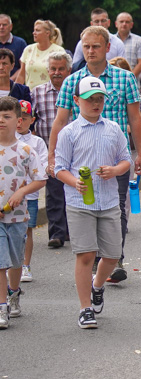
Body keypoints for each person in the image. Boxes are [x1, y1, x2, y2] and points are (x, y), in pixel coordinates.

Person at [48, 26, 141, 283]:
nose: (91, 51)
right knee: (86, 208)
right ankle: (92, 259)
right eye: (87, 47)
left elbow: (135, 118)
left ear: (107, 48)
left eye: (96, 46)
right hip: (81, 159)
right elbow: (60, 121)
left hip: (116, 156)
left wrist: (140, 154)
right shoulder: (72, 80)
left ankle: (114, 258)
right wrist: (51, 158)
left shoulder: (125, 78)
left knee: (118, 207)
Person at [54, 79, 129, 329]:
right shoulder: (69, 132)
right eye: (89, 99)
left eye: (100, 98)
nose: (96, 103)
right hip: (79, 203)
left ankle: (98, 286)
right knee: (86, 254)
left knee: (112, 254)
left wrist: (114, 170)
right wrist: (74, 182)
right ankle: (85, 308)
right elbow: (60, 168)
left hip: (108, 201)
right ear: (76, 101)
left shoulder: (114, 129)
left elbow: (125, 160)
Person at [0, 97, 45, 330]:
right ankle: (1, 307)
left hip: (17, 217)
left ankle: (14, 292)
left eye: (6, 116)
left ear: (18, 121)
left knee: (16, 262)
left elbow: (40, 179)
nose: (1, 120)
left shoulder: (26, 150)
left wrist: (21, 193)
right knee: (0, 263)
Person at [32, 52, 72, 248]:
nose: (57, 73)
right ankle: (57, 233)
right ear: (48, 70)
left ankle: (72, 230)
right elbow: (31, 121)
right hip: (50, 150)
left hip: (75, 151)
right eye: (53, 69)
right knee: (54, 193)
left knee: (74, 191)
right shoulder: (37, 92)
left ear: (68, 70)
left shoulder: (76, 91)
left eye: (61, 69)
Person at [16, 101, 46, 283]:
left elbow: (41, 166)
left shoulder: (37, 142)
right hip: (8, 194)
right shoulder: (6, 138)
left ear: (32, 120)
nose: (19, 122)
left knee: (27, 230)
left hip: (30, 194)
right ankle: (12, 264)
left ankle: (25, 265)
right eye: (17, 118)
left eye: (24, 118)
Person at [19, 20, 66, 89]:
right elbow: (21, 75)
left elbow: (63, 74)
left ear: (47, 33)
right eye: (34, 30)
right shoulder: (28, 49)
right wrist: (15, 93)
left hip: (50, 95)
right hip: (29, 95)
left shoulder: (58, 50)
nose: (34, 33)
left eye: (37, 30)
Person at [0, 14, 28, 80]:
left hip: (14, 85)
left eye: (4, 25)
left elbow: (24, 67)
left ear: (11, 27)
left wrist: (10, 81)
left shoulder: (20, 43)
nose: (1, 27)